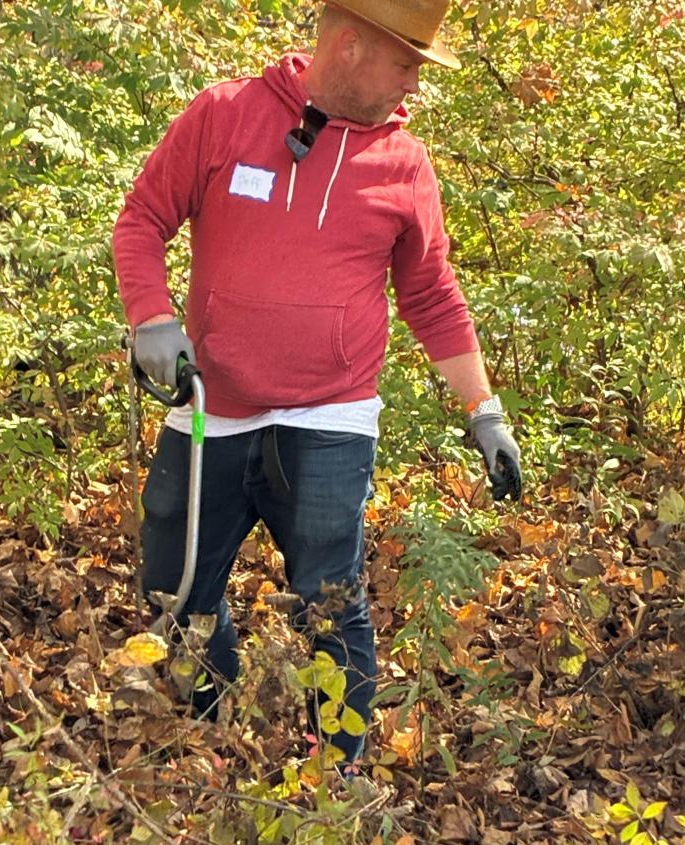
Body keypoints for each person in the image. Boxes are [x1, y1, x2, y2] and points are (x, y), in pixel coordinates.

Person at [112, 0, 522, 766]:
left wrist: (485, 410)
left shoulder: (405, 165)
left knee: (330, 602)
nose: (415, 84)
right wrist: (152, 321)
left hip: (331, 416)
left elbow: (432, 296)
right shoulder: (224, 115)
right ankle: (215, 733)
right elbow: (142, 219)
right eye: (406, 64)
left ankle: (333, 775)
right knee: (174, 587)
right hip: (211, 405)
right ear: (351, 45)